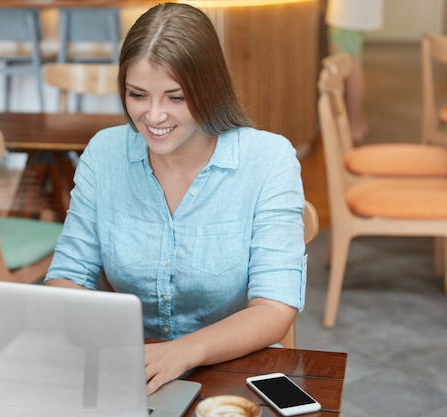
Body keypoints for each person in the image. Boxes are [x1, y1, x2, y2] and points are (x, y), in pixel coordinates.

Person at [45, 2, 306, 395]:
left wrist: (181, 352)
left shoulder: (268, 159)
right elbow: (66, 276)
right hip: (133, 369)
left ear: (209, 89)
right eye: (137, 95)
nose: (153, 116)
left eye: (175, 98)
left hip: (233, 374)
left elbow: (274, 309)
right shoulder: (104, 153)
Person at [325, 0, 383, 145]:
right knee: (354, 64)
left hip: (347, 15)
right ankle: (358, 122)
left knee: (349, 67)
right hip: (353, 14)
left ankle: (354, 125)